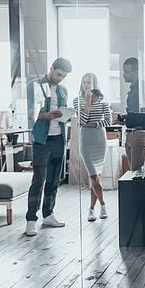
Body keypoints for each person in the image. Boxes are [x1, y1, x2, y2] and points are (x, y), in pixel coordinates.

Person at [25, 57, 72, 236]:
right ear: (51, 68)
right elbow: (30, 114)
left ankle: (48, 214)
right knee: (38, 180)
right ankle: (31, 220)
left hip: (58, 139)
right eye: (59, 74)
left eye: (63, 76)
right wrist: (47, 116)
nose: (60, 78)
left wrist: (64, 115)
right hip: (41, 141)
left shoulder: (63, 90)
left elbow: (63, 114)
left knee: (53, 180)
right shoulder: (34, 86)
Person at [74, 73, 112, 222]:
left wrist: (95, 124)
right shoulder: (77, 100)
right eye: (84, 82)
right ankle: (103, 204)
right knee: (93, 176)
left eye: (89, 82)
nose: (86, 85)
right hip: (86, 141)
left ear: (95, 84)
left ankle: (91, 209)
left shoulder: (103, 101)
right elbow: (82, 121)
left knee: (95, 178)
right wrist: (88, 101)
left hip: (100, 141)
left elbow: (108, 121)